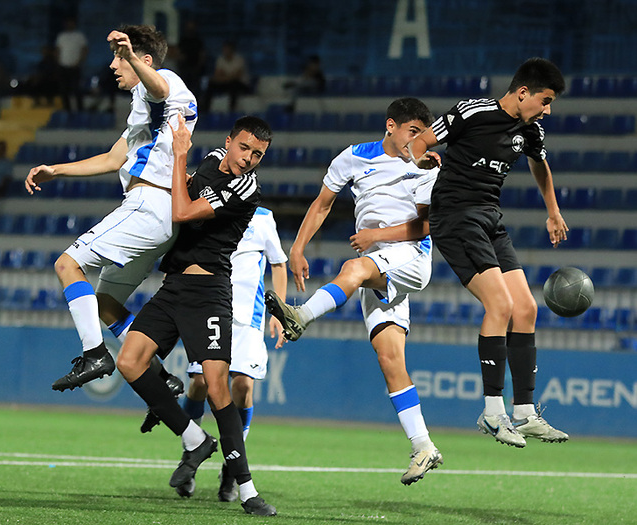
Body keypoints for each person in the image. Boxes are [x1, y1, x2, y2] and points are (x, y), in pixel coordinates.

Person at [265, 98, 443, 485]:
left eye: (423, 134)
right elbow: (323, 203)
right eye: (413, 132)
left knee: (353, 267)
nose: (419, 141)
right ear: (391, 125)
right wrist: (296, 247)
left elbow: (425, 228)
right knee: (389, 357)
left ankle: (300, 317)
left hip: (410, 257)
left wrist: (375, 235)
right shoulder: (353, 157)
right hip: (379, 265)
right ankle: (423, 445)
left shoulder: (427, 166)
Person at [116, 115, 277, 516]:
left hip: (209, 293)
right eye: (245, 148)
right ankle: (194, 439)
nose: (249, 159)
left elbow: (182, 212)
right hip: (174, 287)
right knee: (129, 360)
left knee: (217, 386)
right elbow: (183, 188)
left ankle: (247, 490)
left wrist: (179, 154)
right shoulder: (212, 161)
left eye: (258, 154)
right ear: (229, 142)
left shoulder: (246, 187)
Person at [24, 25, 197, 392]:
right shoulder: (146, 113)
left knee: (67, 265)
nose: (113, 66)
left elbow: (159, 88)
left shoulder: (164, 82)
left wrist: (131, 54)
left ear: (144, 60)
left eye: (120, 58)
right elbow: (113, 157)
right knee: (104, 303)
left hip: (149, 205)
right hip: (157, 215)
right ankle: (159, 375)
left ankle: (95, 354)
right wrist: (57, 170)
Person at [407, 57, 570, 447]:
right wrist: (421, 157)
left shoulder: (531, 130)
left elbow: (540, 165)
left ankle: (524, 412)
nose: (547, 110)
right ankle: (492, 412)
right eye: (545, 101)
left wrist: (553, 211)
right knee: (500, 306)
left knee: (526, 308)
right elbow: (420, 141)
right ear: (523, 92)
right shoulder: (472, 112)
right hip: (455, 217)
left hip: (489, 218)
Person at [142, 206, 288, 502]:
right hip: (209, 308)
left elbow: (279, 264)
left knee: (243, 386)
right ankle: (190, 453)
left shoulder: (262, 217)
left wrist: (280, 311)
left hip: (248, 317)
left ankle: (232, 469)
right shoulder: (211, 208)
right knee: (199, 383)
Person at [203, 41, 250, 112]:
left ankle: (232, 111)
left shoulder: (239, 59)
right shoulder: (220, 59)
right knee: (211, 84)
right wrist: (227, 77)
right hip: (226, 83)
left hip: (240, 84)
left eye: (227, 49)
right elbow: (217, 75)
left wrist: (225, 76)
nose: (225, 51)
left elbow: (237, 76)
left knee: (234, 85)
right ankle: (205, 110)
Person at [55, 17, 88, 112]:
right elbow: (58, 49)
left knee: (76, 89)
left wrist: (79, 62)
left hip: (75, 66)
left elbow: (84, 49)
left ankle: (80, 110)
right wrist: (58, 62)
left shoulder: (79, 36)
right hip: (63, 66)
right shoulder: (61, 36)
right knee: (64, 90)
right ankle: (67, 110)